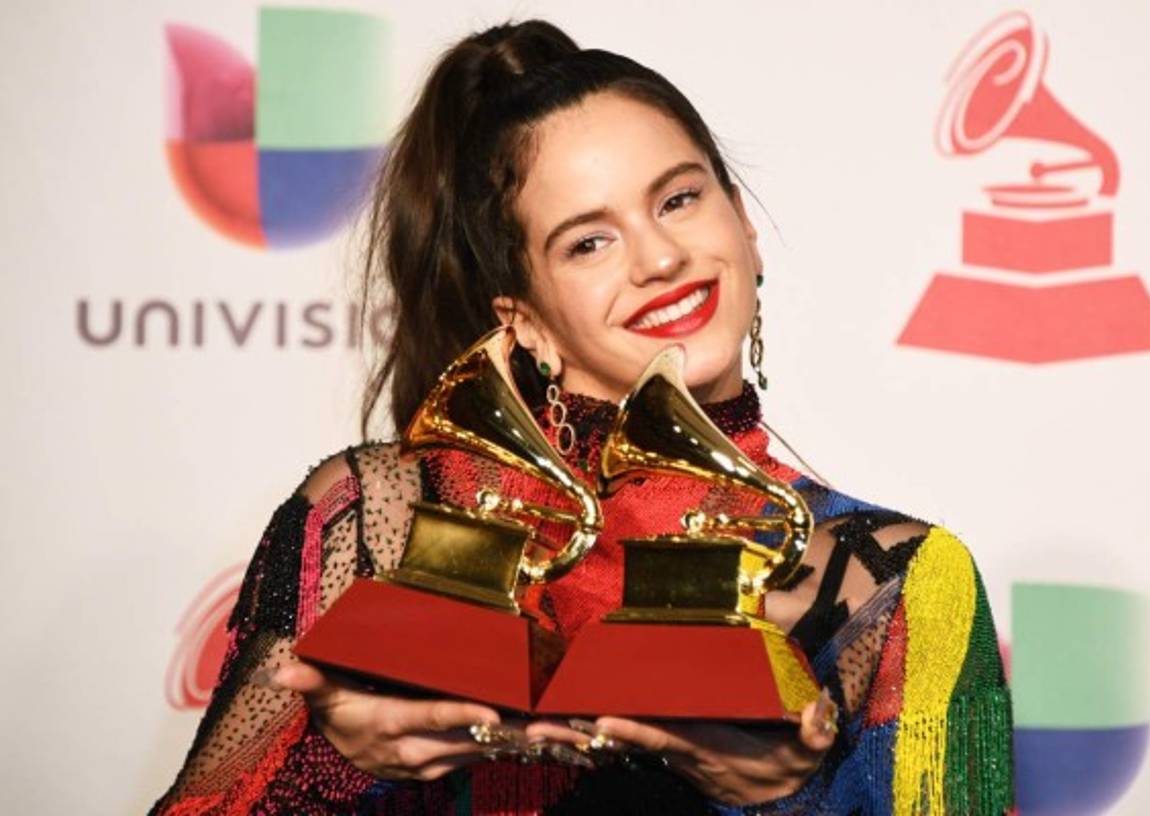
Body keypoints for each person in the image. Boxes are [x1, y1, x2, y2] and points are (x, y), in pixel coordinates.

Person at [151, 19, 1014, 816]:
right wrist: (332, 763)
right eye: (588, 242)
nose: (661, 257)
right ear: (523, 319)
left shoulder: (900, 584)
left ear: (745, 226)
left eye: (678, 199)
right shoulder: (376, 520)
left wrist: (790, 799)